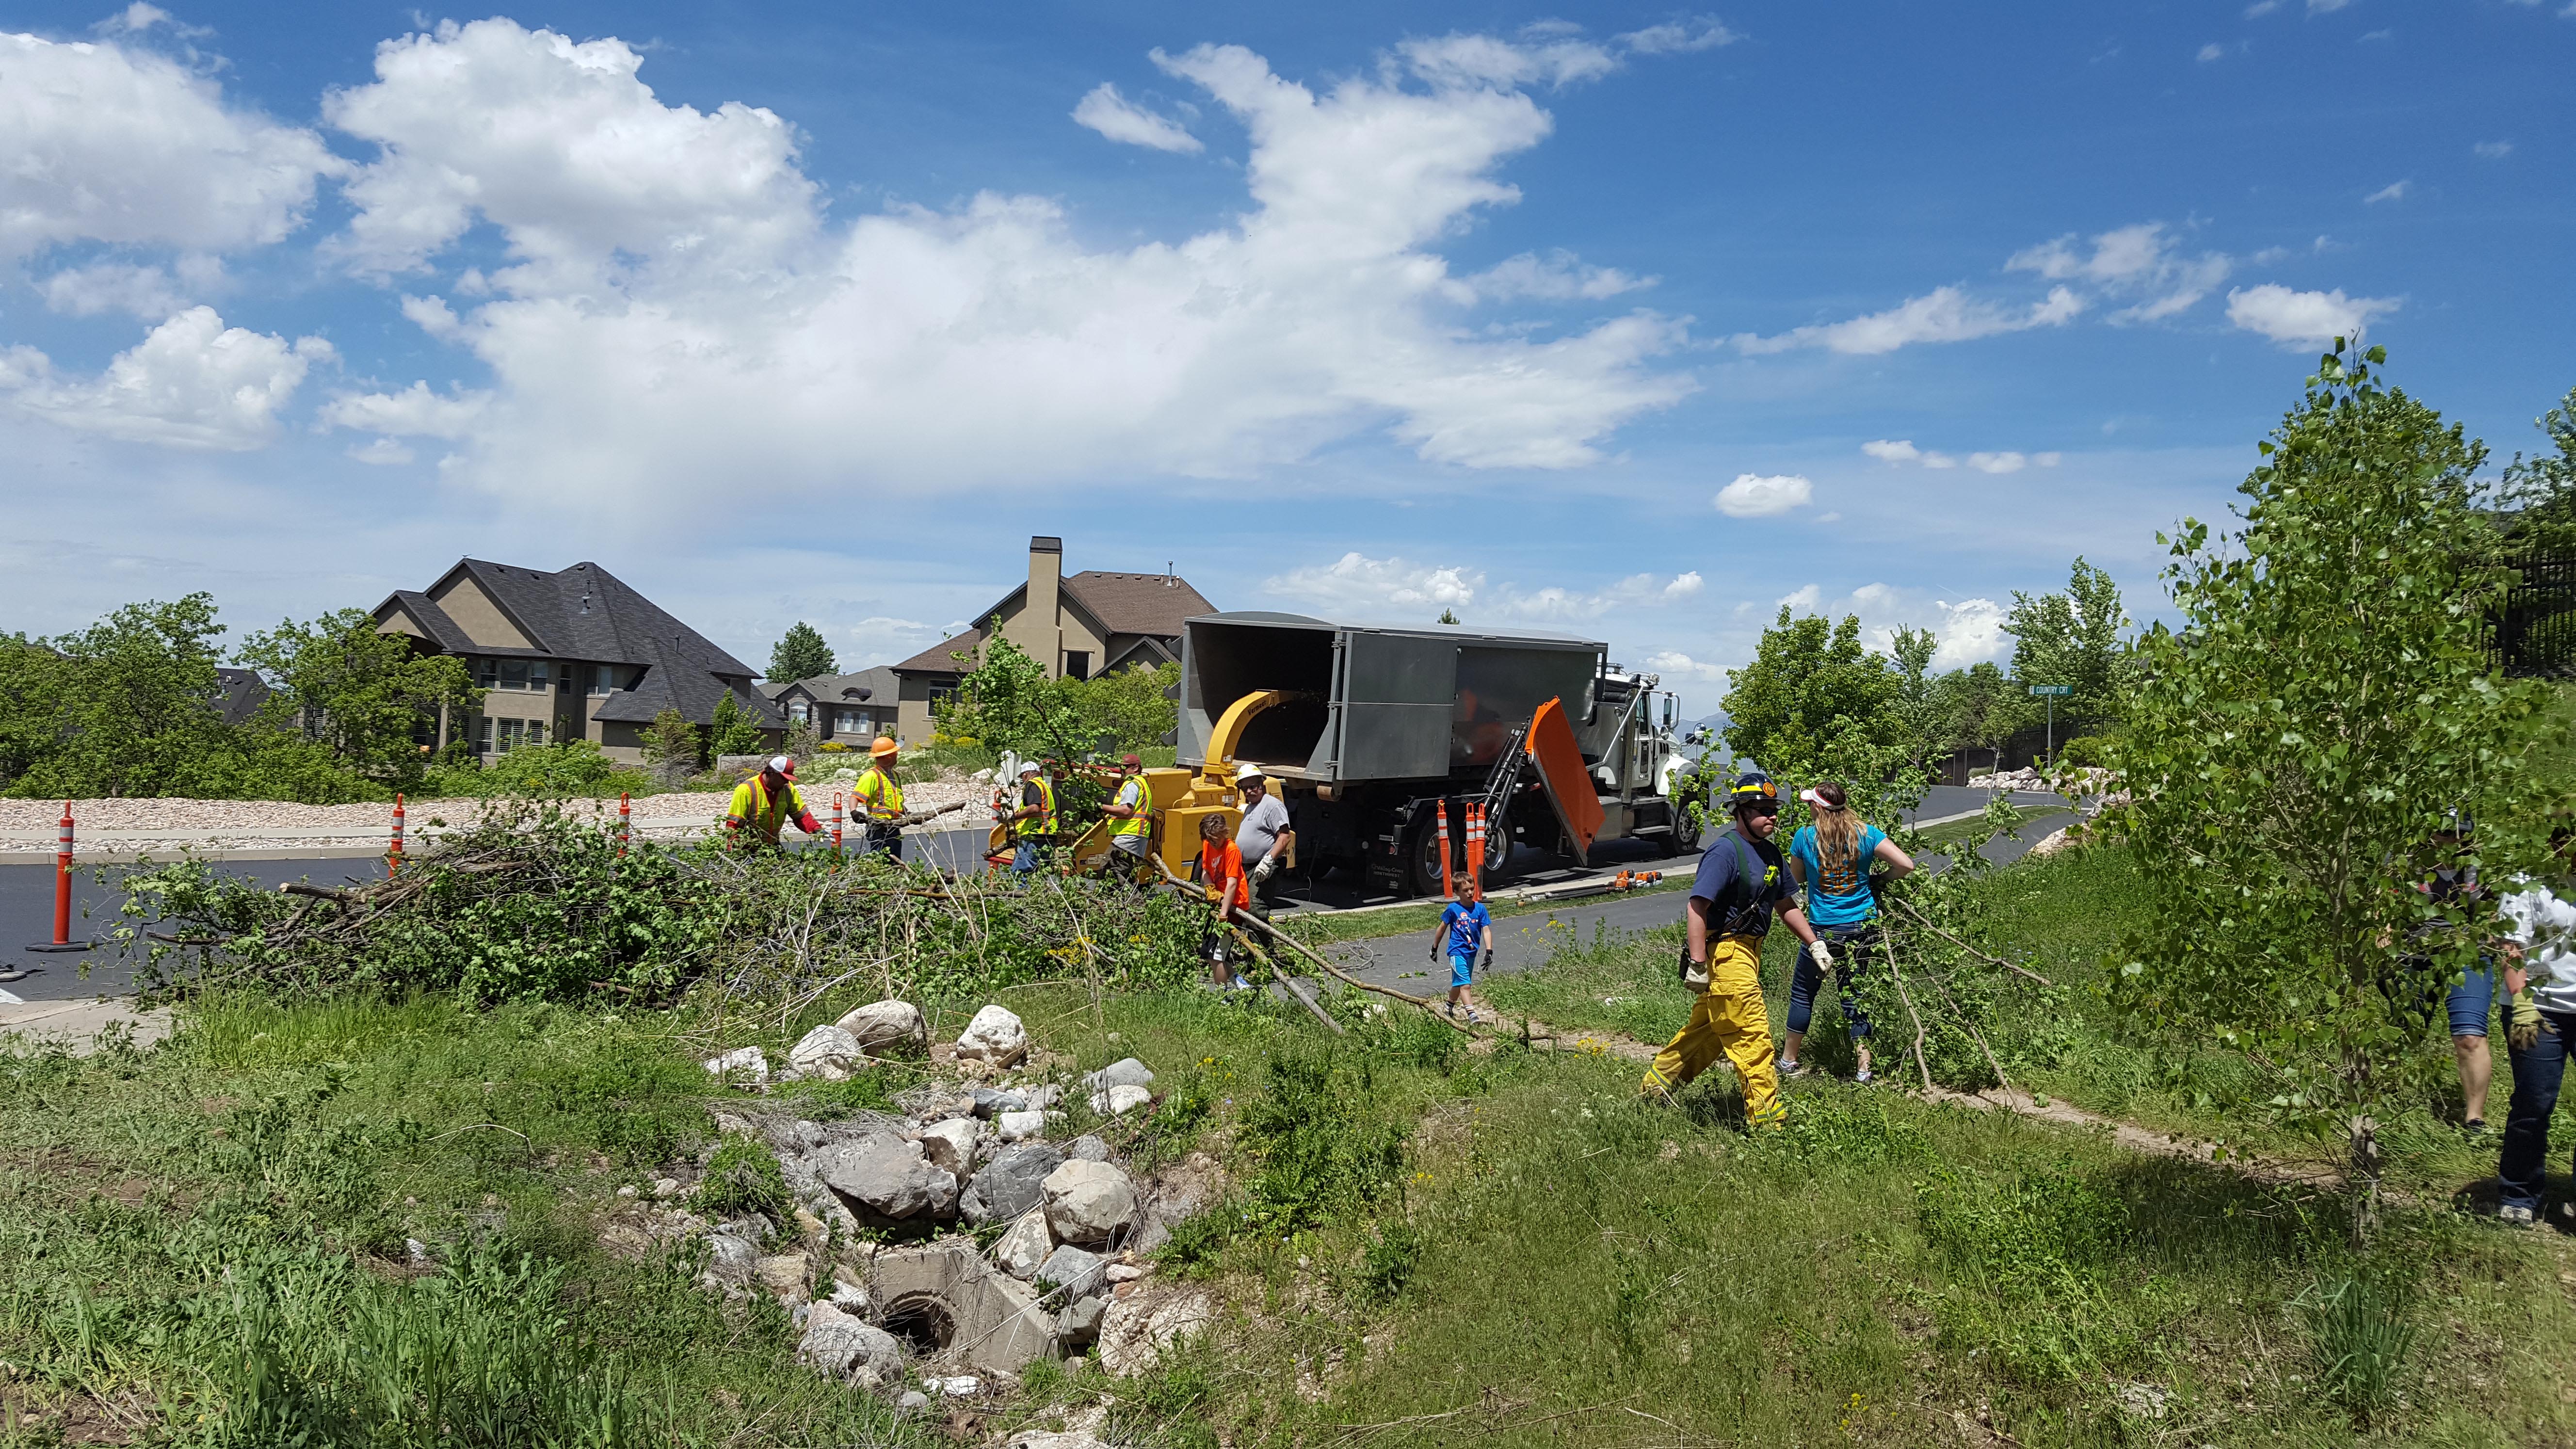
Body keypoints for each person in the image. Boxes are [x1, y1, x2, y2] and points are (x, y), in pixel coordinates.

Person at [1641, 769, 1829, 1129]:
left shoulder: (1771, 853)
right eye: (1761, 809)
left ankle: (1655, 1090)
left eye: (1773, 808)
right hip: (1726, 954)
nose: (1770, 815)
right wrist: (1698, 963)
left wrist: (1814, 942)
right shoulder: (1725, 852)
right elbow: (1697, 907)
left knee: (1707, 1034)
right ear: (1740, 812)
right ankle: (1768, 1121)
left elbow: (1786, 905)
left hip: (1749, 953)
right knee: (1752, 1035)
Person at [1779, 782, 1916, 1083]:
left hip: (1822, 928)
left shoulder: (1804, 837)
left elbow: (1797, 878)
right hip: (1860, 926)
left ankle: (1789, 1061)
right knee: (1855, 995)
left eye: (1810, 804)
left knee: (1803, 994)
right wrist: (1877, 878)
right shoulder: (1865, 833)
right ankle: (1864, 1068)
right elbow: (1906, 865)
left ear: (1818, 807)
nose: (1808, 808)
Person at [2495, 825, 2576, 1226]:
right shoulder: (2530, 883)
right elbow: (2512, 947)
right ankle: (2519, 1194)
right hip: (2538, 1010)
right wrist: (2523, 1004)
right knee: (2534, 1102)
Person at [2415, 812, 2502, 1138]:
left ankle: (2474, 1119)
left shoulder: (2481, 867)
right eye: (2443, 833)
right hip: (2414, 955)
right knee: (2405, 1032)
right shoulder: (2409, 863)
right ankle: (2385, 1105)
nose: (2450, 840)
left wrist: (2491, 932)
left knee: (2470, 1037)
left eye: (2458, 834)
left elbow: (2497, 910)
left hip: (2467, 956)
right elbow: (2385, 902)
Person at [1193, 813, 1251, 989]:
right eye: (1209, 840)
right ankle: (1243, 986)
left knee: (1217, 955)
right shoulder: (1207, 846)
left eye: (1216, 839)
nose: (1213, 843)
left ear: (1224, 833)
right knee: (1209, 952)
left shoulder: (1231, 849)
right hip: (1218, 903)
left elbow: (1232, 884)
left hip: (1233, 906)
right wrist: (1210, 887)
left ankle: (1223, 996)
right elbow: (1205, 871)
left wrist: (1224, 914)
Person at [725, 756, 823, 852]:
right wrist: (736, 853)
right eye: (783, 778)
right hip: (748, 849)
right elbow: (734, 825)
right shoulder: (747, 790)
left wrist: (817, 830)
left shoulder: (788, 789)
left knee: (789, 867)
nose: (786, 781)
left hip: (772, 848)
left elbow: (801, 816)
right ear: (772, 773)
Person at [1433, 877, 1495, 1023]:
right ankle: (1472, 1015)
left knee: (1459, 983)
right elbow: (1442, 928)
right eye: (1465, 890)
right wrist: (1434, 948)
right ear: (1457, 892)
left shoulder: (1480, 909)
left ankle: (1448, 1007)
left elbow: (1486, 930)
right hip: (1456, 952)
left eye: (1472, 889)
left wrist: (1489, 951)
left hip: (1471, 953)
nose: (1470, 893)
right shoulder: (1453, 909)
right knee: (1466, 984)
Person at [1234, 763, 1295, 908]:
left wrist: (1268, 861)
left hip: (1261, 867)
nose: (1249, 791)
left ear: (1262, 784)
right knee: (1243, 907)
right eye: (1244, 789)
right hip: (1246, 868)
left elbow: (1284, 837)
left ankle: (1259, 931)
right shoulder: (1250, 807)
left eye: (1253, 787)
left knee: (1256, 908)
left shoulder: (1272, 805)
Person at [1101, 754, 1155, 884]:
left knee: (1110, 869)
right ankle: (1126, 903)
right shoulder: (1141, 783)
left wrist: (1101, 807)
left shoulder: (1132, 784)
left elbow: (1126, 810)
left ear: (1136, 768)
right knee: (1123, 874)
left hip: (1129, 836)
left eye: (1124, 768)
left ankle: (1133, 902)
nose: (1121, 771)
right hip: (1134, 836)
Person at [851, 737, 907, 860]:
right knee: (879, 859)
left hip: (894, 825)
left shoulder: (895, 775)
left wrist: (907, 813)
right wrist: (854, 812)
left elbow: (896, 801)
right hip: (879, 827)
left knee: (895, 860)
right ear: (889, 757)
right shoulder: (871, 776)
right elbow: (855, 796)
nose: (897, 755)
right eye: (895, 753)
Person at [1008, 758, 1059, 876]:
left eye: (1022, 777)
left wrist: (1014, 817)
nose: (1022, 779)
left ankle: (1019, 894)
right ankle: (1043, 894)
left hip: (1034, 833)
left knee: (1020, 872)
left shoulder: (1032, 784)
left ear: (1026, 774)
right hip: (1049, 833)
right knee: (1041, 872)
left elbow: (1035, 808)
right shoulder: (1044, 786)